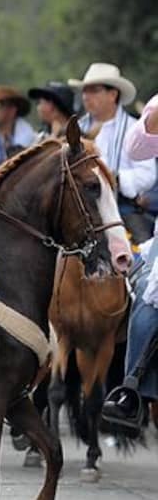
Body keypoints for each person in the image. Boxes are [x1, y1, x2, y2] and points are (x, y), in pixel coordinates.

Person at [102, 89, 158, 430]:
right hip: (106, 201)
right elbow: (138, 147)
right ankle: (133, 388)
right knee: (148, 295)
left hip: (131, 202)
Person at [74, 62, 156, 243]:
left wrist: (114, 178)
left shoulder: (134, 128)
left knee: (142, 252)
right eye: (85, 91)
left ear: (113, 94)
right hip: (80, 210)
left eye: (94, 90)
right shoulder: (76, 128)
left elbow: (147, 174)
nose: (86, 96)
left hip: (122, 209)